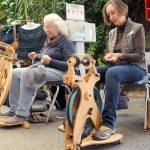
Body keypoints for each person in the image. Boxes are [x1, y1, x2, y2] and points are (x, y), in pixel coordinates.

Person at [0, 13, 75, 125]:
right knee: (14, 73)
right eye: (45, 26)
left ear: (57, 26)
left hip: (61, 73)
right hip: (44, 68)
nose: (46, 29)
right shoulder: (49, 41)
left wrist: (51, 61)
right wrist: (36, 56)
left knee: (29, 73)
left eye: (48, 27)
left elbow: (70, 65)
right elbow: (43, 57)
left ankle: (21, 115)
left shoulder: (66, 41)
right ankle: (14, 110)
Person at [92, 0, 147, 140]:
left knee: (112, 73)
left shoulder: (137, 27)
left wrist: (120, 55)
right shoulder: (112, 32)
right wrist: (107, 57)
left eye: (112, 13)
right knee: (92, 72)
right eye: (108, 14)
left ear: (122, 11)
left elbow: (140, 56)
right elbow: (111, 57)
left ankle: (108, 124)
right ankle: (91, 115)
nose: (110, 17)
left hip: (136, 68)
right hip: (116, 68)